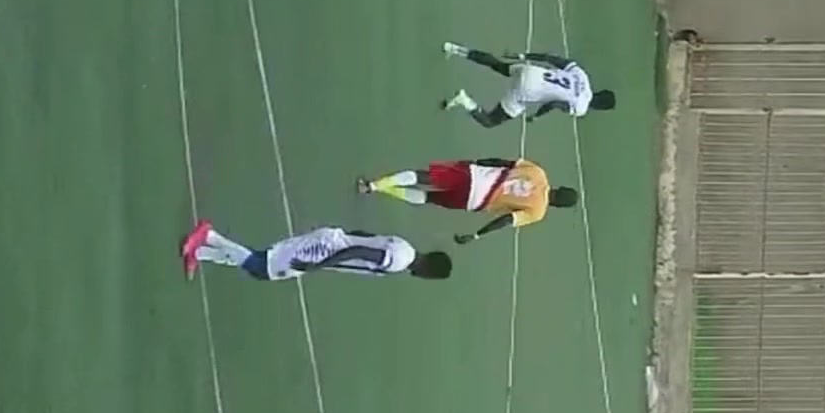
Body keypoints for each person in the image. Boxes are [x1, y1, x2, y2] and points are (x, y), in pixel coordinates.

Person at [357, 157, 577, 241]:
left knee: (423, 176)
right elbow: (505, 220)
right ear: (558, 206)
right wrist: (477, 234)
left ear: (559, 188)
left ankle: (374, 185)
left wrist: (478, 162)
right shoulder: (538, 212)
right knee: (428, 197)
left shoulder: (538, 172)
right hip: (475, 201)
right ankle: (381, 190)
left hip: (475, 176)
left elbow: (503, 162)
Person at [179, 220, 451, 283]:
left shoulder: (405, 246)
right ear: (427, 270)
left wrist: (340, 235)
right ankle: (208, 236)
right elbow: (360, 251)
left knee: (263, 263)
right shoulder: (399, 261)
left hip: (329, 242)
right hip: (324, 252)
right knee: (262, 268)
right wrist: (319, 264)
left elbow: (366, 236)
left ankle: (200, 253)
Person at [441, 44, 615, 124]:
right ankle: (464, 100)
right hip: (527, 90)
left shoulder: (583, 77)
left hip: (532, 71)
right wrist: (537, 116)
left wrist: (523, 56)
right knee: (491, 120)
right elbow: (555, 104)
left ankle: (455, 49)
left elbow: (550, 58)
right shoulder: (581, 108)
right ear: (599, 107)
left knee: (498, 65)